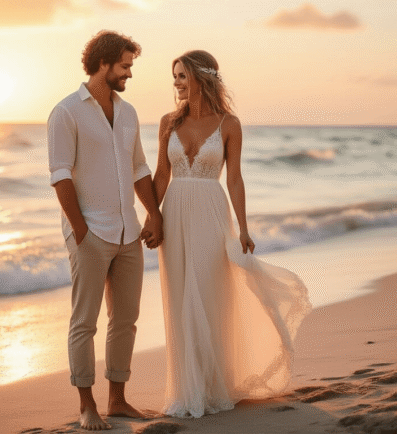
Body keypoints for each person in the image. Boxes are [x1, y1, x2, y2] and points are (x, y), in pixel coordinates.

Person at [149, 50, 312, 418]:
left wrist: (243, 228)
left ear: (201, 78)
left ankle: (212, 386)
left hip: (211, 213)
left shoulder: (229, 124)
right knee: (178, 298)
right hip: (174, 212)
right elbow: (162, 175)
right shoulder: (167, 123)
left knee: (207, 294)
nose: (176, 83)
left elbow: (235, 178)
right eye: (174, 76)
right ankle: (187, 391)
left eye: (182, 76)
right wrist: (151, 216)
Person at [47, 30, 163, 431]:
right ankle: (86, 405)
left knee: (125, 319)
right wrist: (80, 231)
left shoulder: (128, 113)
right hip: (91, 234)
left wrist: (155, 214)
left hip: (128, 232)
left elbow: (139, 170)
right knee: (85, 322)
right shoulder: (66, 112)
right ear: (104, 63)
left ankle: (117, 399)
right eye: (125, 66)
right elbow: (60, 176)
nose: (129, 74)